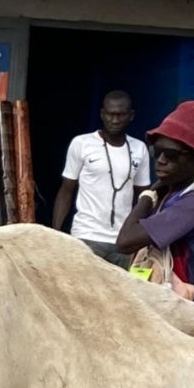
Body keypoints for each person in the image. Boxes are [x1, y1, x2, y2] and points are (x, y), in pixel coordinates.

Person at [113, 100, 194, 314]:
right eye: (157, 151)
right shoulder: (171, 192)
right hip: (163, 309)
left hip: (186, 317)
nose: (160, 160)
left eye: (170, 154)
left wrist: (147, 196)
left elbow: (125, 241)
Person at [53, 89, 151, 264]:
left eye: (120, 115)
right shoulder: (81, 144)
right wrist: (55, 234)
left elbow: (143, 198)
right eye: (110, 114)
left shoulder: (139, 149)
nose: (114, 120)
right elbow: (66, 190)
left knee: (120, 291)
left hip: (123, 242)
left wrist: (141, 239)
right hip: (86, 236)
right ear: (102, 114)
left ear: (131, 115)